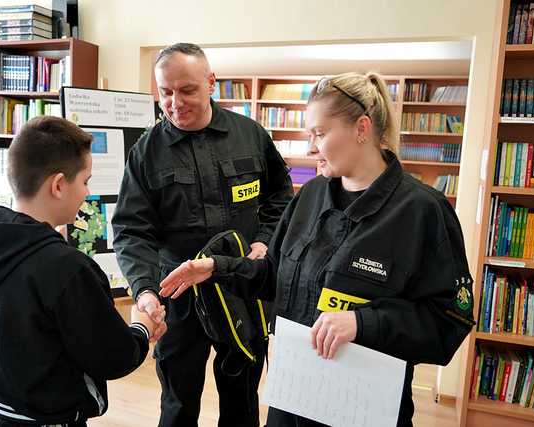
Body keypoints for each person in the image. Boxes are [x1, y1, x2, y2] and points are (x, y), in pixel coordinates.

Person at [160, 72, 476, 427]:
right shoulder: (309, 197)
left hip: (362, 411)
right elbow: (276, 276)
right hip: (292, 400)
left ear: (361, 128)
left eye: (320, 134)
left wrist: (361, 323)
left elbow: (447, 320)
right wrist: (217, 269)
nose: (310, 148)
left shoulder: (423, 212)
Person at [112, 43, 293, 427]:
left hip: (239, 287)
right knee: (178, 402)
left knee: (242, 398)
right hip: (178, 296)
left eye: (187, 90)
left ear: (211, 83)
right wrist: (144, 289)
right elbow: (131, 230)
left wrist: (265, 239)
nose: (175, 102)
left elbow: (281, 197)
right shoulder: (145, 153)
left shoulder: (251, 136)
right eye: (165, 92)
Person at [0, 116, 166, 427]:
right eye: (85, 181)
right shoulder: (68, 268)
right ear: (58, 185)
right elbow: (112, 356)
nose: (86, 192)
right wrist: (142, 328)